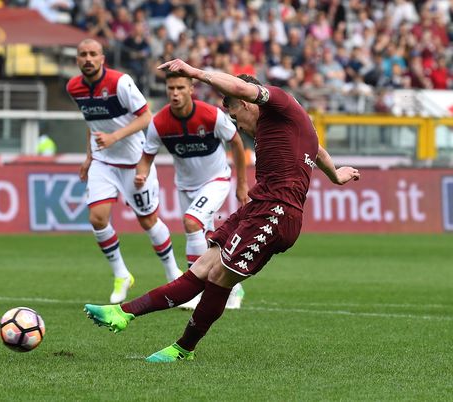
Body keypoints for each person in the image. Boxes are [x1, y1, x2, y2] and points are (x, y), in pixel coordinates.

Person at [84, 58, 360, 362]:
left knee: (218, 278)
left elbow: (243, 86)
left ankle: (183, 349)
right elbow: (316, 148)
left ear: (246, 102)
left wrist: (194, 73)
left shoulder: (279, 103)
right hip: (258, 206)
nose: (237, 125)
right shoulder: (287, 126)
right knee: (201, 269)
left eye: (235, 114)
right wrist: (335, 175)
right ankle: (123, 313)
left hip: (277, 213)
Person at [66, 39, 182, 304]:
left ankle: (173, 273)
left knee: (148, 221)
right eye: (82, 54)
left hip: (133, 161)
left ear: (102, 58)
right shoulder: (74, 87)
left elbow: (146, 117)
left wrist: (115, 137)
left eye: (93, 54)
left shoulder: (121, 82)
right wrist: (88, 157)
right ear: (77, 60)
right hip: (103, 162)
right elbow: (92, 122)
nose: (88, 58)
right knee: (97, 218)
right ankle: (121, 274)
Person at [135, 72, 249, 310]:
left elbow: (237, 142)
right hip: (185, 186)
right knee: (208, 241)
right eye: (171, 89)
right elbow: (146, 157)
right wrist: (141, 174)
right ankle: (233, 286)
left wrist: (241, 184)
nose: (175, 93)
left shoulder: (211, 115)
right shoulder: (160, 122)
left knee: (191, 222)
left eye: (180, 88)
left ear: (190, 90)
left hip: (216, 180)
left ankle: (193, 293)